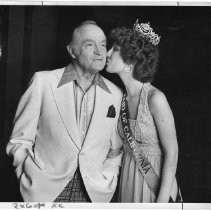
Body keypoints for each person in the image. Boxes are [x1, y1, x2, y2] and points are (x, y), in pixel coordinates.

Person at [6, 20, 123, 202]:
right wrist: (29, 177)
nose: (100, 52)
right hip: (44, 192)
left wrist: (109, 178)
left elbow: (116, 150)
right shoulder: (43, 82)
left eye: (103, 44)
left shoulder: (115, 94)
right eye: (90, 45)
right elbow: (19, 140)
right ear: (72, 51)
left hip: (94, 194)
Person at [106, 19, 182, 203]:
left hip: (155, 183)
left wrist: (162, 202)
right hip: (128, 178)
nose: (107, 53)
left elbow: (172, 152)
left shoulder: (155, 99)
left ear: (130, 62)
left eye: (114, 49)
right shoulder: (118, 97)